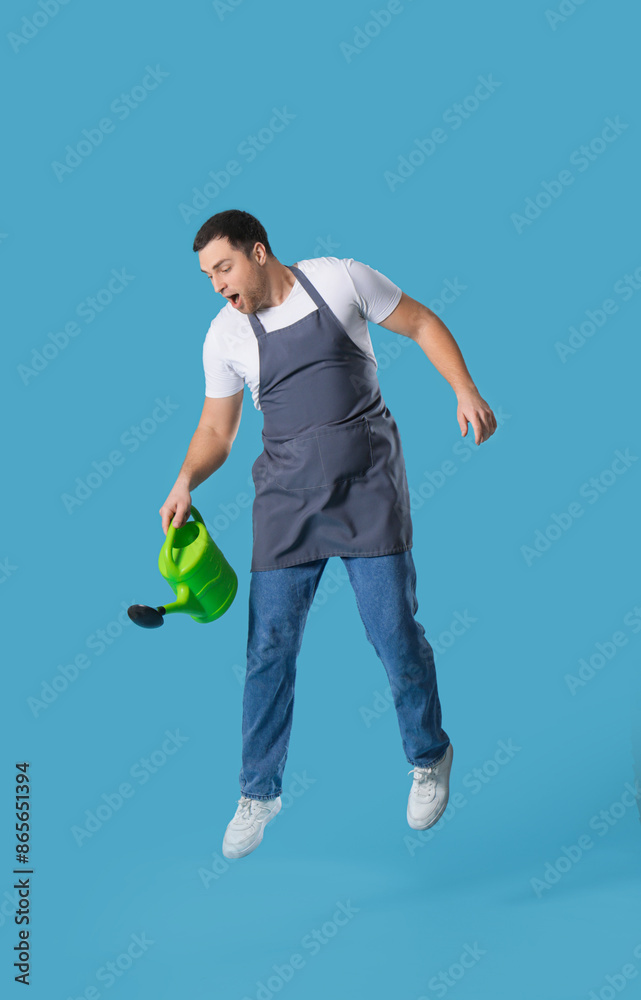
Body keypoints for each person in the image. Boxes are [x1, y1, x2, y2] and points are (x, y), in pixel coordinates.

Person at [159, 209, 497, 859]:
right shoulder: (224, 336)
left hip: (368, 487)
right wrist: (185, 481)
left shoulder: (340, 281)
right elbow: (216, 432)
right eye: (206, 276)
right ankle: (257, 792)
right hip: (285, 502)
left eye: (223, 268)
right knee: (267, 650)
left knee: (394, 633)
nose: (216, 285)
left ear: (258, 252)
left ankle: (429, 755)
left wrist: (463, 389)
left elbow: (421, 322)